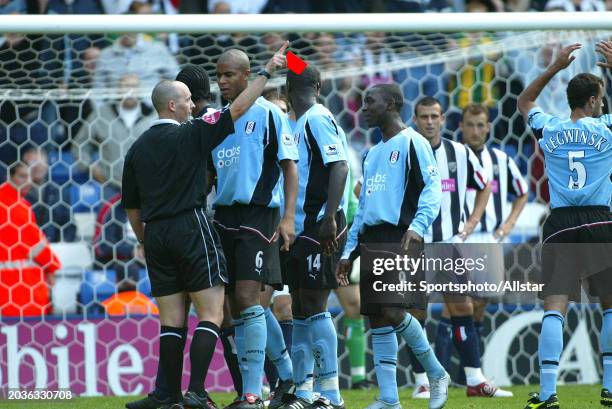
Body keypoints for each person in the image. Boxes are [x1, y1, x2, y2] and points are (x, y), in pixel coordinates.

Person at [121, 42, 288, 409]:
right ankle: (197, 390)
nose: (193, 106)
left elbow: (131, 206)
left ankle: (167, 394)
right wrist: (266, 71)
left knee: (171, 321)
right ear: (172, 106)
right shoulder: (192, 131)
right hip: (191, 227)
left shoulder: (136, 148)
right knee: (213, 314)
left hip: (156, 234)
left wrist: (145, 240)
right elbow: (240, 108)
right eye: (186, 101)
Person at [337, 84, 449, 409]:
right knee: (378, 320)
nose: (363, 108)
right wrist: (349, 252)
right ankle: (389, 399)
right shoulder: (371, 154)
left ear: (392, 103)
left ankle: (436, 372)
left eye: (370, 101)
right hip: (372, 240)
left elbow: (433, 188)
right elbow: (365, 210)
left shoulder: (413, 142)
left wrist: (418, 226)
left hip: (401, 239)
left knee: (393, 310)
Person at [517, 41, 612, 409]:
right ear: (591, 102)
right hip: (601, 220)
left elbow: (524, 102)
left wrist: (554, 68)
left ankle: (547, 394)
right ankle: (609, 388)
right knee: (609, 307)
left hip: (560, 224)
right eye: (600, 97)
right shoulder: (606, 128)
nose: (602, 103)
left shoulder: (551, 129)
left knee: (555, 307)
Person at [210, 48, 298, 409]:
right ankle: (287, 375)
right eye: (219, 75)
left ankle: (251, 393)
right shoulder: (216, 120)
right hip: (224, 217)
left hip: (259, 215)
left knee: (248, 299)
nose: (223, 81)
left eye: (229, 74)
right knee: (238, 305)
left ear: (247, 76)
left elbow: (290, 167)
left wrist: (289, 217)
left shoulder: (269, 116)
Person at [410, 96, 514, 398]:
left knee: (462, 305)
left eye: (435, 116)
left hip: (448, 243)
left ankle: (474, 380)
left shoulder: (459, 152)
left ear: (443, 120)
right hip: (415, 245)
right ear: (415, 120)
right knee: (417, 311)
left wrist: (471, 222)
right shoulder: (405, 151)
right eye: (424, 117)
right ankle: (422, 381)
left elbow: (485, 187)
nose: (430, 122)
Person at [277, 66, 349, 409]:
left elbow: (340, 166)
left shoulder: (319, 118)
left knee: (315, 305)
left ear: (287, 87)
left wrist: (331, 217)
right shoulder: (297, 123)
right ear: (318, 85)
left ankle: (331, 394)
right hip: (302, 227)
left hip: (321, 224)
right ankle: (304, 390)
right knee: (302, 307)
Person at [0, 161, 61, 318]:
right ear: (9, 177)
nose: (28, 181)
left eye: (30, 177)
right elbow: (35, 247)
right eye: (22, 176)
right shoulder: (15, 207)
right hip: (22, 290)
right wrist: (52, 267)